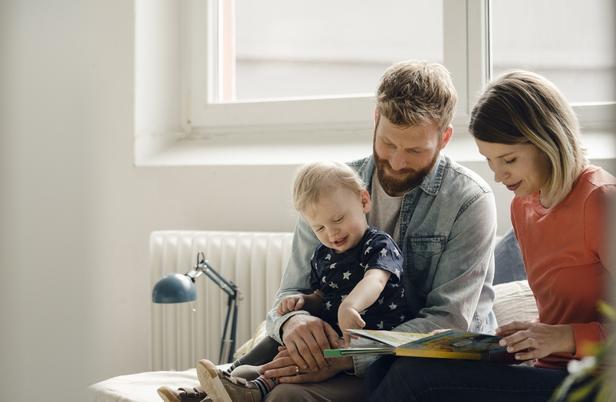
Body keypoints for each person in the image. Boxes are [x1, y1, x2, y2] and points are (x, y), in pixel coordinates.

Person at [250, 60, 498, 402]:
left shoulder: (468, 201)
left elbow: (448, 321)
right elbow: (289, 294)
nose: (397, 162)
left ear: (444, 138)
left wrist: (345, 356)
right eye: (388, 144)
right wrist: (294, 323)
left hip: (420, 362)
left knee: (286, 396)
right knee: (264, 356)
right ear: (375, 119)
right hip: (341, 344)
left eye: (414, 150)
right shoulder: (331, 188)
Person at [365, 70, 615, 402]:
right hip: (548, 369)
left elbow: (565, 333)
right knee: (389, 363)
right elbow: (558, 318)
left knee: (417, 377)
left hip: (596, 379)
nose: (498, 176)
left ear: (547, 141)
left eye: (509, 159)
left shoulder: (599, 201)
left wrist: (565, 338)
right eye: (490, 161)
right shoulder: (524, 206)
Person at [195, 161, 411, 402]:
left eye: (338, 219)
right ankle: (215, 388)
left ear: (363, 201)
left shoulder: (379, 244)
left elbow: (376, 280)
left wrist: (351, 306)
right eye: (319, 227)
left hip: (366, 349)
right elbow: (322, 296)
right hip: (330, 337)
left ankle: (252, 388)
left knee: (299, 359)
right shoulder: (323, 254)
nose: (332, 233)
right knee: (278, 336)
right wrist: (304, 302)